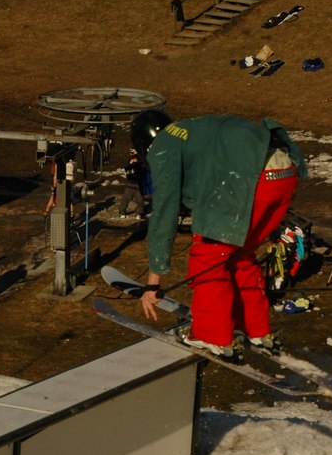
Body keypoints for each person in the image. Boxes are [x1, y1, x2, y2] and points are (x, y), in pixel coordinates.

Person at [140, 115, 307, 360]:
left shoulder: (164, 144)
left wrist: (153, 281)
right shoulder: (190, 129)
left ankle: (211, 336)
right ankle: (255, 329)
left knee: (209, 258)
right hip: (283, 174)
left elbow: (165, 208)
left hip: (253, 180)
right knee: (239, 255)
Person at [118, 147, 146, 220]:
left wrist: (137, 163)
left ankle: (139, 213)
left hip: (139, 183)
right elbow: (126, 169)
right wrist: (130, 165)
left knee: (140, 199)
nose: (131, 153)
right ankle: (122, 211)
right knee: (126, 198)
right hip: (131, 183)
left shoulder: (142, 159)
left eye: (133, 151)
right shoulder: (130, 160)